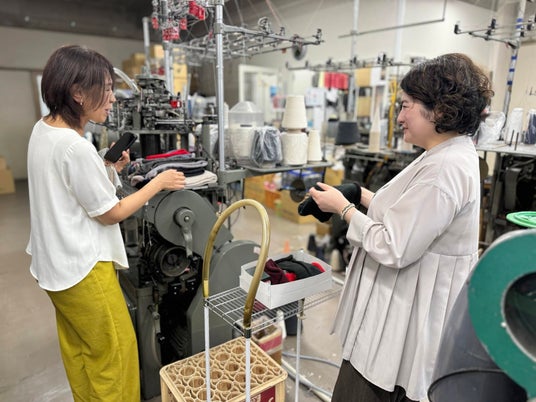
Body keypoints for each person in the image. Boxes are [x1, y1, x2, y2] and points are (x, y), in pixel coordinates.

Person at [307, 53, 493, 402]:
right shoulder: (443, 155)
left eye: (406, 106)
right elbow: (409, 215)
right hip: (402, 306)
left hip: (404, 316)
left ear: (439, 109)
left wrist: (344, 210)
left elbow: (394, 245)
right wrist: (358, 194)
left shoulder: (444, 169)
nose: (400, 116)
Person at [26, 45, 186, 402]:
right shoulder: (75, 148)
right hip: (83, 270)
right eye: (107, 89)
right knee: (115, 355)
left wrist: (108, 168)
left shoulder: (43, 130)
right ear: (78, 93)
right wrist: (158, 183)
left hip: (54, 267)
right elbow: (110, 212)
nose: (113, 98)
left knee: (82, 351)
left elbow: (67, 187)